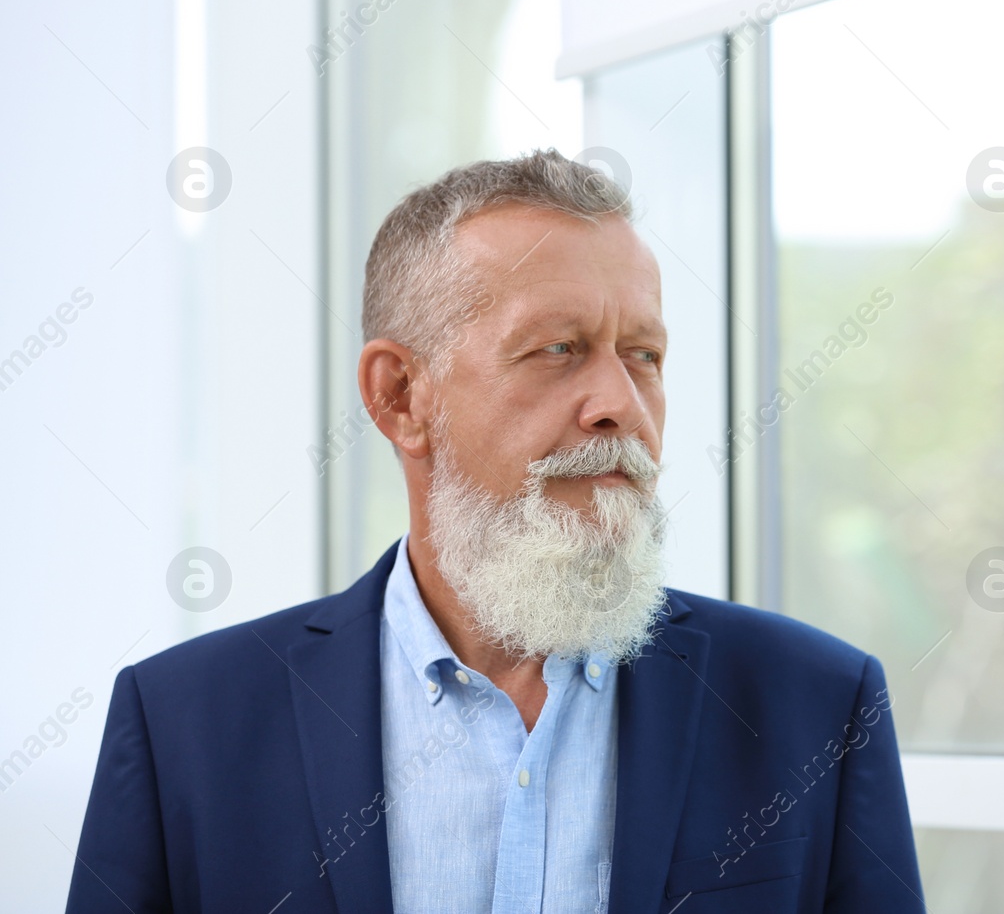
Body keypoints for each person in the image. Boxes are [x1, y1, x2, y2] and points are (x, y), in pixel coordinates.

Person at [66, 150, 922, 913]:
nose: (620, 404)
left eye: (645, 355)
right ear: (402, 395)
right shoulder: (186, 723)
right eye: (559, 348)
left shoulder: (816, 708)